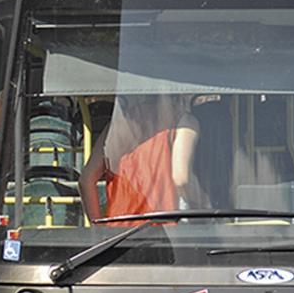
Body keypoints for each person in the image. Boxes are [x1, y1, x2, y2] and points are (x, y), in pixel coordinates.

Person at [78, 95, 202, 223]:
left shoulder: (117, 125)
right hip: (162, 228)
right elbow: (182, 179)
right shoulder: (183, 122)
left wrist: (98, 226)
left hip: (118, 231)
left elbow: (86, 179)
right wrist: (205, 204)